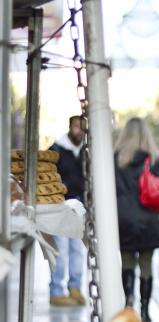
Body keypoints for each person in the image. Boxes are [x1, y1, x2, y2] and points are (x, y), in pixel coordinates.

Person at [114, 117, 159, 322]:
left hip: (123, 220)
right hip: (148, 219)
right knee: (147, 265)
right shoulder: (155, 160)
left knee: (127, 263)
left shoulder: (115, 159)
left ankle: (129, 301)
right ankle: (145, 309)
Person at [48, 115, 86, 307]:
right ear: (70, 127)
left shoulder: (85, 152)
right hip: (59, 205)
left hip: (78, 206)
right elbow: (45, 169)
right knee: (60, 249)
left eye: (81, 127)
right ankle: (56, 290)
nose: (78, 131)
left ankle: (75, 288)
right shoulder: (57, 149)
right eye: (75, 127)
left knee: (76, 249)